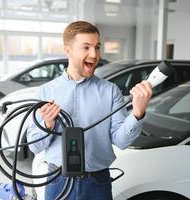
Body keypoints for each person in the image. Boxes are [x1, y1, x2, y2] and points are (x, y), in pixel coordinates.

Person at [27, 21, 153, 200]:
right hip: (58, 181)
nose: (94, 55)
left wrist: (138, 113)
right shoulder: (46, 92)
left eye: (97, 47)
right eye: (86, 47)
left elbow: (121, 141)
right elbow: (34, 146)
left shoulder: (110, 91)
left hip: (97, 182)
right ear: (68, 50)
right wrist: (47, 124)